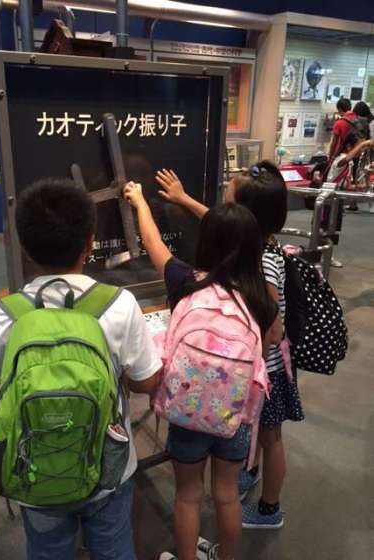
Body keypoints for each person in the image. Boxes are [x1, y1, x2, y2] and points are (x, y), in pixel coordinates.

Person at [0, 178, 162, 560]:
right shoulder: (119, 304)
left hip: (33, 468)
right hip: (108, 467)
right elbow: (147, 381)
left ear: (24, 247)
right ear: (90, 243)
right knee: (114, 548)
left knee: (48, 551)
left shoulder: (5, 311)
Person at [124, 180, 281, 560]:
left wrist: (140, 202)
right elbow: (263, 352)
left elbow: (153, 243)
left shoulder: (184, 282)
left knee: (188, 495)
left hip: (187, 412)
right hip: (234, 417)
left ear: (205, 242)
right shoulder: (259, 298)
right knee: (226, 495)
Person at [154, 164, 304, 530]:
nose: (222, 201)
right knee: (253, 436)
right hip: (255, 369)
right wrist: (184, 199)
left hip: (262, 372)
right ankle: (248, 474)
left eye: (229, 198)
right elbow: (219, 224)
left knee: (270, 437)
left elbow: (273, 329)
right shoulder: (263, 246)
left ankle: (269, 509)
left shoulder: (263, 264)